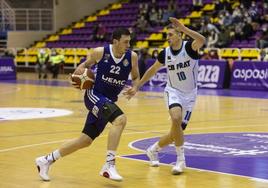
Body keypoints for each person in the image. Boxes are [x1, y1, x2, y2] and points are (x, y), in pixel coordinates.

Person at [35, 28, 139, 181]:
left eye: (129, 41)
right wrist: (75, 78)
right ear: (115, 41)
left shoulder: (132, 57)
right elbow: (82, 67)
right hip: (94, 95)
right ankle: (109, 165)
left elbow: (136, 77)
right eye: (125, 42)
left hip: (109, 100)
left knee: (85, 140)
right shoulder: (100, 52)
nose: (128, 44)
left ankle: (46, 160)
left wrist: (135, 87)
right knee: (120, 120)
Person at [125, 17, 205, 174]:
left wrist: (185, 29)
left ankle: (153, 149)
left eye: (170, 35)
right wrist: (137, 86)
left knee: (175, 133)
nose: (167, 38)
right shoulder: (165, 53)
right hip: (173, 91)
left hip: (190, 94)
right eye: (167, 35)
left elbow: (202, 39)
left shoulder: (190, 48)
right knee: (176, 119)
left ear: (179, 35)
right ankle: (181, 161)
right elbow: (152, 70)